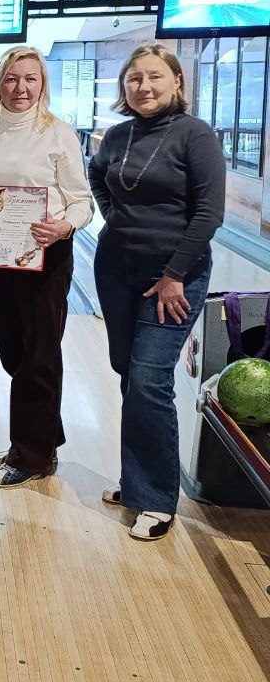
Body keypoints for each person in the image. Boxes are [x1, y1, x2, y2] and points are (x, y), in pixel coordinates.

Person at [89, 43, 225, 541]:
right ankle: (137, 481)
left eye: (154, 77)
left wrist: (174, 275)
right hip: (116, 269)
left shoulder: (195, 135)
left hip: (173, 276)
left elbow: (209, 213)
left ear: (177, 83)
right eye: (134, 79)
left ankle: (155, 498)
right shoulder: (118, 135)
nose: (143, 87)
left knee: (149, 378)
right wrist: (115, 217)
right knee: (129, 373)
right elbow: (97, 174)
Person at [0, 47, 93, 489]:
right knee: (14, 351)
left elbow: (82, 200)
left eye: (30, 79)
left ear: (42, 84)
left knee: (39, 353)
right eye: (11, 78)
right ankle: (42, 435)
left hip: (46, 251)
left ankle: (33, 454)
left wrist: (64, 226)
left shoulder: (58, 132)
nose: (20, 88)